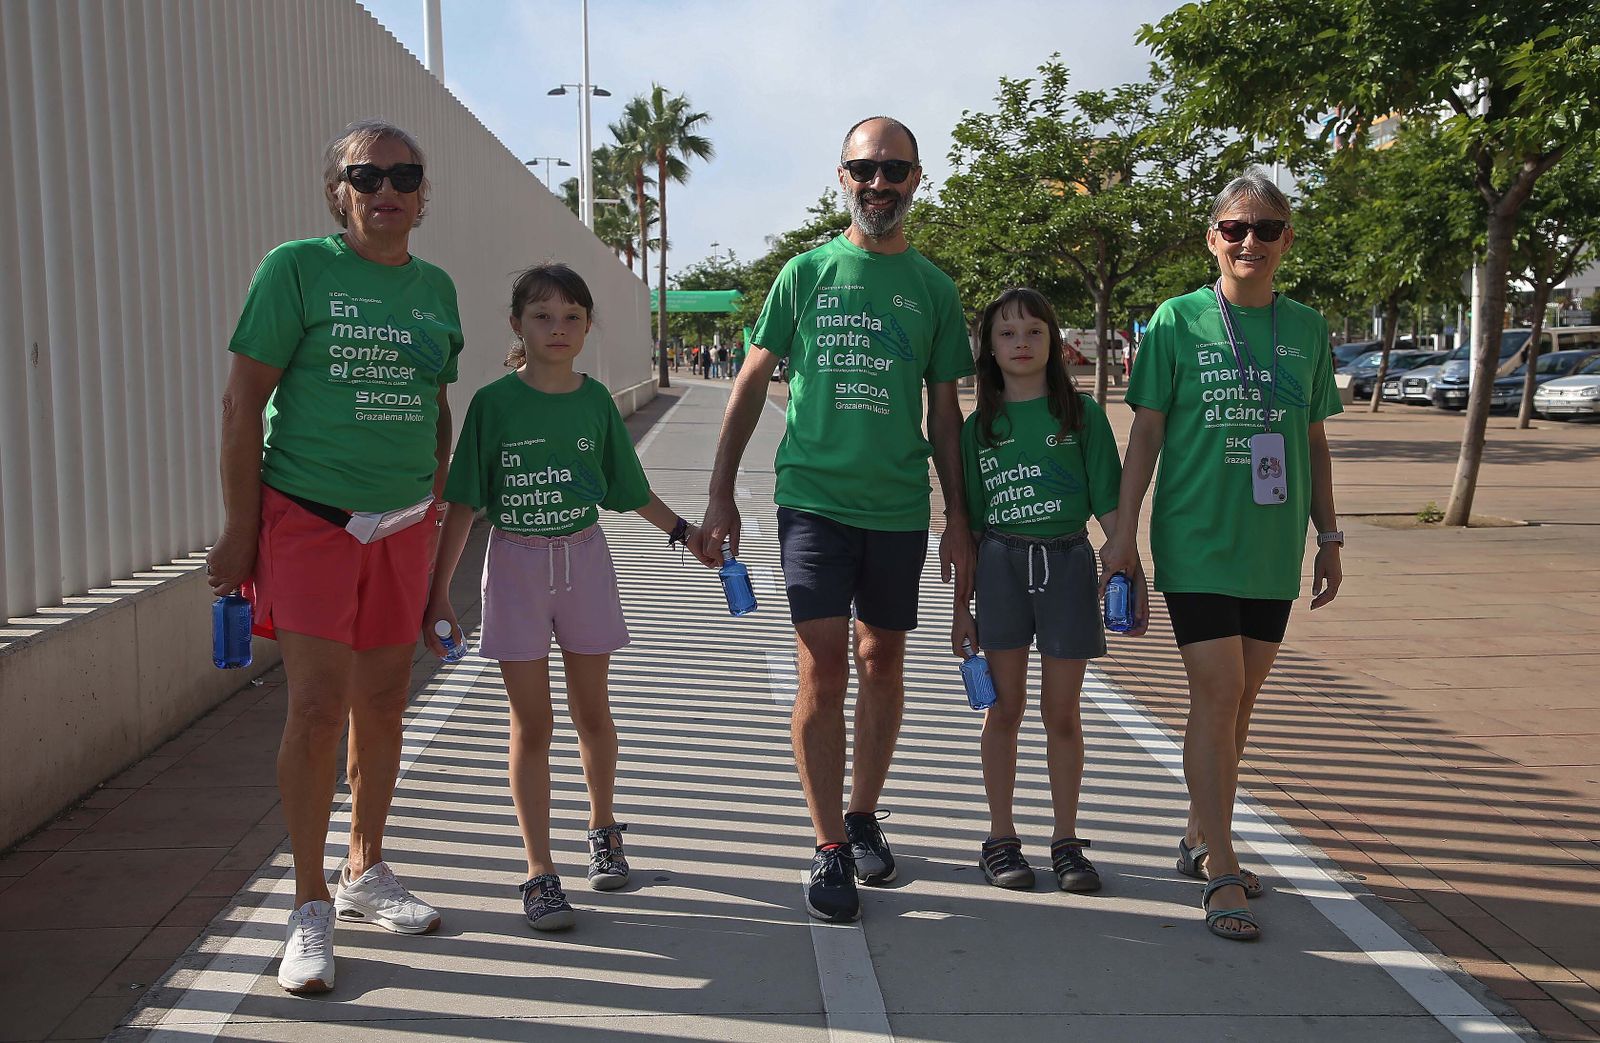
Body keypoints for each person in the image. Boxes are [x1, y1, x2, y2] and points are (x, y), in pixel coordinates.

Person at [698, 116, 976, 923]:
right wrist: (721, 491)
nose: (878, 184)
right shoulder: (807, 272)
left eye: (894, 170)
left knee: (881, 657)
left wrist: (957, 515)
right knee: (823, 663)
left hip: (896, 506)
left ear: (916, 179)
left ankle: (862, 813)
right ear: (842, 176)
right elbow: (750, 382)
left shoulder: (933, 288)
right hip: (812, 500)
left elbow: (946, 410)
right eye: (865, 170)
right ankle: (827, 848)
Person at [207, 120, 461, 995]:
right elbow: (244, 400)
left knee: (384, 700)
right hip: (308, 517)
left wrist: (432, 511)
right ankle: (308, 903)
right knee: (318, 707)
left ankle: (365, 870)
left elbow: (436, 409)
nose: (387, 188)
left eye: (405, 174)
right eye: (367, 175)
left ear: (423, 194)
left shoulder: (437, 289)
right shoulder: (296, 269)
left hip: (402, 526)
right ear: (338, 191)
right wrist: (242, 528)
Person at [427, 263, 719, 931]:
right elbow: (465, 503)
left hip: (583, 561)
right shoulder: (494, 404)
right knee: (533, 724)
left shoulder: (594, 402)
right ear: (516, 326)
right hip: (516, 566)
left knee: (594, 712)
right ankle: (539, 869)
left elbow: (626, 487)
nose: (556, 329)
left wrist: (685, 532)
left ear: (588, 326)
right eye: (541, 316)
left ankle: (603, 825)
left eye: (570, 317)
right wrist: (438, 594)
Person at [1100, 170, 1344, 941]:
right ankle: (1223, 865)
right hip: (1196, 536)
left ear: (1286, 241)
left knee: (1239, 702)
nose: (1249, 241)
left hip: (1272, 543)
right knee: (1218, 688)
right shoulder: (1175, 321)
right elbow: (1145, 436)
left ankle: (1198, 829)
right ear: (1212, 237)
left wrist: (1330, 535)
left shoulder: (1307, 328)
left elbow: (1313, 439)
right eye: (1235, 228)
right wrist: (1121, 532)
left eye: (1266, 229)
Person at [950, 288, 1134, 894]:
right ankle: (1001, 837)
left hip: (1069, 566)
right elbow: (970, 527)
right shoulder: (979, 428)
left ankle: (1065, 839)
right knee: (1004, 710)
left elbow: (1109, 503)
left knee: (1063, 713)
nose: (1021, 342)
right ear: (988, 348)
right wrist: (962, 611)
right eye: (1006, 333)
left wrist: (1126, 561)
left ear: (1054, 340)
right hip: (1002, 565)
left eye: (1033, 330)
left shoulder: (1080, 416)